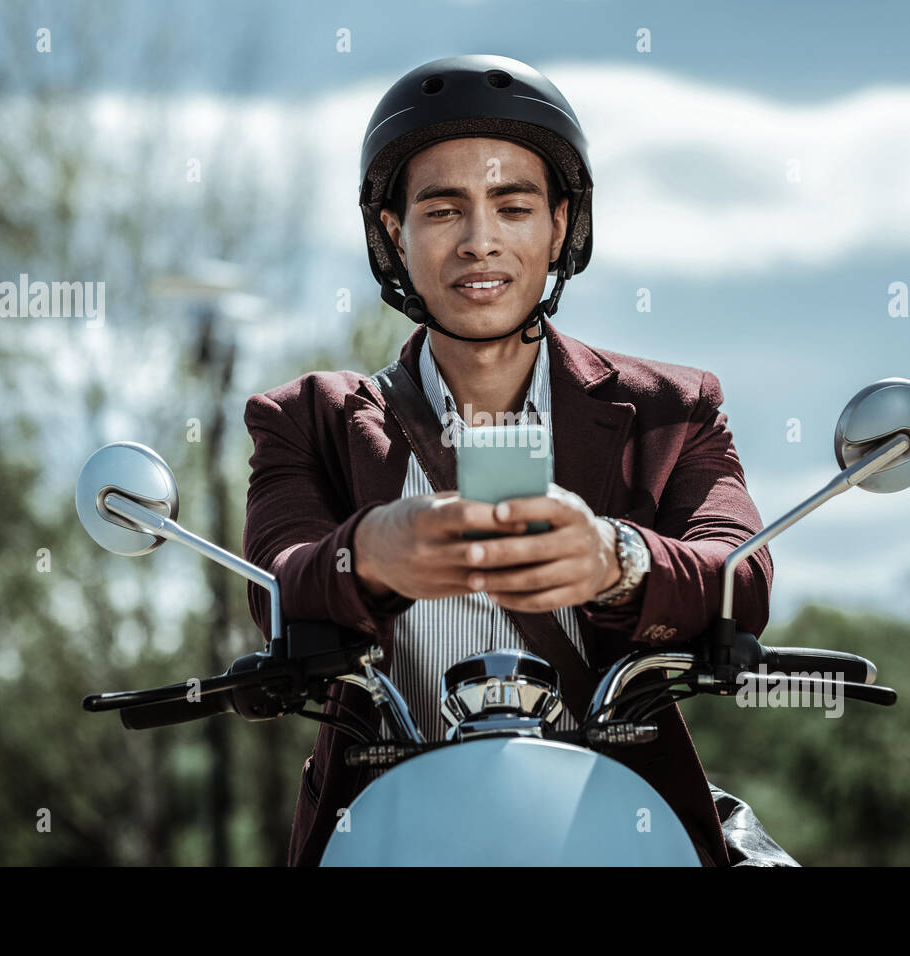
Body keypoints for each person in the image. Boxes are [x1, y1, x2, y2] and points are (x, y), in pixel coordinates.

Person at [243, 54, 783, 866]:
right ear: (394, 234)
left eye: (514, 205)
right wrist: (369, 554)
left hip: (614, 830)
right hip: (385, 833)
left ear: (560, 226)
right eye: (442, 209)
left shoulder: (674, 408)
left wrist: (619, 560)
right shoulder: (304, 419)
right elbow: (276, 587)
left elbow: (741, 576)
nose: (480, 241)